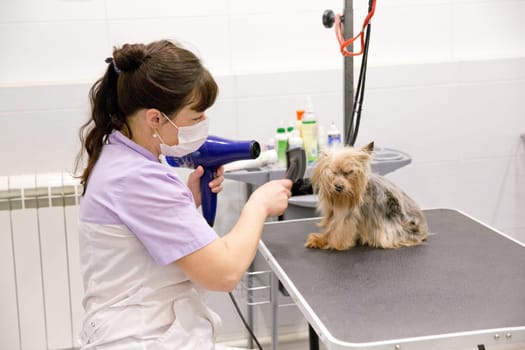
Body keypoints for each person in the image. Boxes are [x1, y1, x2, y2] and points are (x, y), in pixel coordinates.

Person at [75, 39, 292, 350]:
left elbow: (138, 239)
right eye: (196, 117)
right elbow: (225, 273)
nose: (203, 124)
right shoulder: (138, 178)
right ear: (155, 118)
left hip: (146, 329)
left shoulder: (120, 156)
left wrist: (185, 204)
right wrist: (258, 205)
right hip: (143, 338)